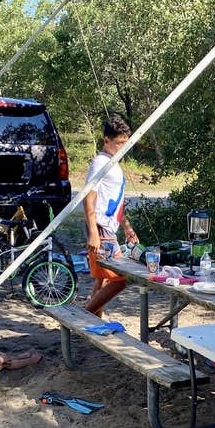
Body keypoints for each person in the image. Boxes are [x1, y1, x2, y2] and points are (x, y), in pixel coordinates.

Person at [82, 115, 139, 316]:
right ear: (106, 140)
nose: (123, 147)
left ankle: (93, 321)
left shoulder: (113, 163)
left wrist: (126, 227)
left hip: (108, 228)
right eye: (119, 143)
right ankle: (85, 316)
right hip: (101, 229)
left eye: (126, 143)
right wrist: (93, 233)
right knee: (120, 279)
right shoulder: (100, 163)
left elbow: (115, 202)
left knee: (103, 279)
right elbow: (88, 198)